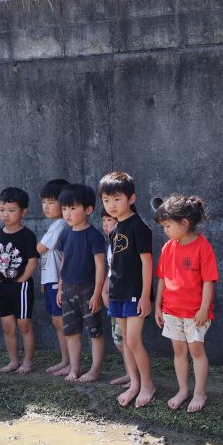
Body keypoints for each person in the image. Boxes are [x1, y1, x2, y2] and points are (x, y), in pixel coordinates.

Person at [153, 194, 218, 413]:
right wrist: (158, 306)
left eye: (168, 225)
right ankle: (183, 390)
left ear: (184, 223)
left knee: (196, 350)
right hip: (171, 309)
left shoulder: (203, 247)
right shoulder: (168, 248)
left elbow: (209, 281)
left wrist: (203, 309)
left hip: (195, 313)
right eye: (163, 226)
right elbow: (162, 278)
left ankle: (200, 392)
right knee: (179, 351)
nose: (165, 230)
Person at [99, 171, 154, 407]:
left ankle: (148, 384)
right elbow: (114, 264)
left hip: (134, 293)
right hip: (117, 293)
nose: (111, 205)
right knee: (124, 341)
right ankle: (134, 383)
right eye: (106, 200)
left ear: (131, 198)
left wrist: (145, 295)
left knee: (133, 341)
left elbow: (147, 263)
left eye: (117, 199)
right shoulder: (115, 229)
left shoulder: (139, 227)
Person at [55, 184, 107, 383]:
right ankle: (74, 368)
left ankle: (95, 370)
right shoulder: (65, 233)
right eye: (64, 209)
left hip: (89, 289)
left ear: (88, 210)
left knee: (94, 332)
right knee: (71, 332)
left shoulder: (94, 235)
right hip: (68, 288)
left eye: (73, 208)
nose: (67, 213)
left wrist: (97, 293)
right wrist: (60, 288)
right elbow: (64, 262)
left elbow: (101, 266)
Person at [0, 187, 39, 374]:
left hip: (22, 287)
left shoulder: (27, 235)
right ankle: (13, 360)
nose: (6, 215)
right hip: (2, 286)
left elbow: (32, 261)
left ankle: (28, 361)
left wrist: (21, 281)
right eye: (2, 210)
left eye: (11, 211)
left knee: (24, 324)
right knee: (7, 326)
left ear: (23, 211)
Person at [36, 179, 71, 375]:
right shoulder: (56, 225)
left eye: (51, 202)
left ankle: (69, 361)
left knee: (61, 321)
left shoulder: (59, 225)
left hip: (59, 281)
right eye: (43, 202)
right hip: (51, 280)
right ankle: (65, 360)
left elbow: (40, 248)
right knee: (57, 322)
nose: (46, 207)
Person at [101, 211, 132, 388]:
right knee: (118, 340)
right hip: (114, 297)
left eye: (109, 220)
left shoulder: (123, 241)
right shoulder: (111, 243)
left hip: (126, 297)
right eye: (103, 220)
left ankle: (135, 376)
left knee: (127, 341)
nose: (106, 224)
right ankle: (130, 373)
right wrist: (105, 291)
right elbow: (111, 269)